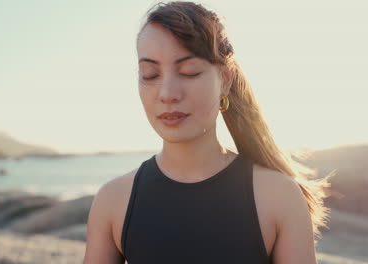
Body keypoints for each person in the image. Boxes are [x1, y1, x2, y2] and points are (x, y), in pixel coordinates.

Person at [83, 1, 333, 263]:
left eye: (189, 72)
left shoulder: (278, 196)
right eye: (150, 74)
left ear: (225, 79)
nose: (168, 94)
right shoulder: (114, 200)